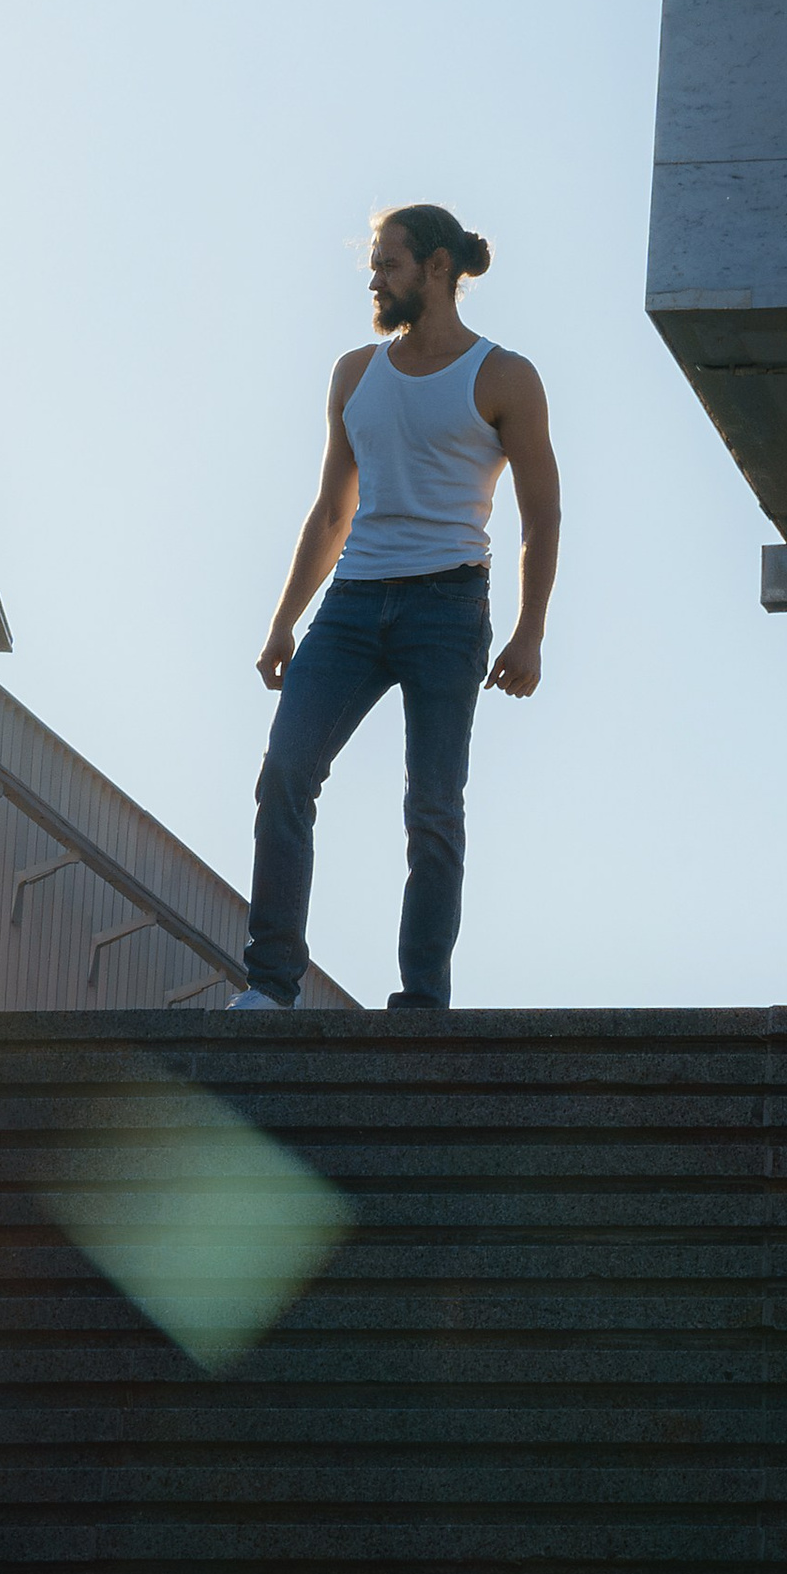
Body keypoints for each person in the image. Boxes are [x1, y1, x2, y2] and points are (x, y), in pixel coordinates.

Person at [231, 203, 560, 1013]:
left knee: (433, 806)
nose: (375, 280)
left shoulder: (504, 377)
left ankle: (421, 1003)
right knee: (284, 775)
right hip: (349, 607)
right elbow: (331, 513)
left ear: (439, 267)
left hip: (449, 607)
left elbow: (543, 514)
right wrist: (284, 620)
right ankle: (270, 987)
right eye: (373, 265)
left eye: (389, 264)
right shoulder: (354, 374)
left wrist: (528, 635)